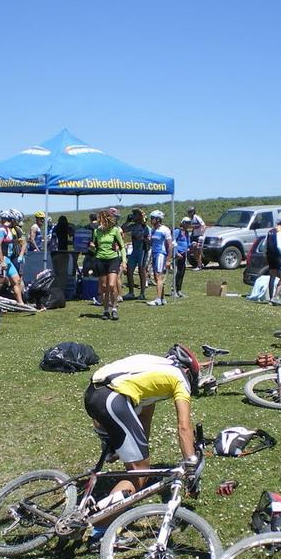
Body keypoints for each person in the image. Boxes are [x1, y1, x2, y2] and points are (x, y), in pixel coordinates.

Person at [83, 343, 202, 540]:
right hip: (113, 401)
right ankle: (101, 530)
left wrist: (139, 453)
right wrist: (191, 467)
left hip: (94, 395)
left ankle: (112, 450)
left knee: (138, 464)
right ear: (188, 371)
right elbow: (184, 427)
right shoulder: (180, 378)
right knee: (139, 475)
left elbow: (144, 419)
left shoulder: (155, 369)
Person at [89, 207, 125, 320]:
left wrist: (124, 261)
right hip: (100, 259)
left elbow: (122, 247)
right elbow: (95, 249)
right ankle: (105, 311)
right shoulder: (97, 232)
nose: (101, 223)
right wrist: (92, 248)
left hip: (113, 259)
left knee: (112, 285)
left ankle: (114, 309)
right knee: (104, 287)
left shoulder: (115, 231)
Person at [0, 210, 26, 305]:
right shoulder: (2, 230)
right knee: (1, 280)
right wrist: (2, 261)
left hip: (8, 258)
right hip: (2, 258)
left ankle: (20, 302)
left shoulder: (10, 229)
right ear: (12, 219)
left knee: (16, 280)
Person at [145, 211, 172, 307]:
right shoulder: (153, 230)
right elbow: (151, 243)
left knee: (158, 276)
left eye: (152, 218)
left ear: (158, 219)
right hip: (154, 253)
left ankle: (158, 300)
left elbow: (170, 245)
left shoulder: (165, 229)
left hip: (160, 254)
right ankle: (162, 298)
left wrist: (168, 260)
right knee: (157, 277)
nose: (151, 220)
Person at [123, 209, 151, 301]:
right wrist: (127, 221)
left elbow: (149, 240)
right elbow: (122, 229)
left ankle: (142, 293)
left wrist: (142, 238)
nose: (133, 216)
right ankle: (131, 292)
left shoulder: (145, 227)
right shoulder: (133, 226)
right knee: (129, 270)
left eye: (135, 214)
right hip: (134, 251)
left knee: (141, 271)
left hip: (142, 251)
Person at [266, 217, 281, 306]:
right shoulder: (280, 231)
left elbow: (265, 244)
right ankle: (275, 297)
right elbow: (279, 246)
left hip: (270, 256)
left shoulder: (270, 231)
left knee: (272, 277)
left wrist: (266, 255)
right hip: (278, 257)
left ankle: (271, 299)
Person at [172, 217, 191, 299]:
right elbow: (173, 242)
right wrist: (176, 252)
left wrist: (192, 246)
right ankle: (174, 290)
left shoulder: (186, 233)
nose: (188, 225)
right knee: (176, 272)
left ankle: (179, 290)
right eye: (187, 223)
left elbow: (188, 243)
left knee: (181, 272)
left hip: (183, 254)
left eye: (189, 223)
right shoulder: (177, 231)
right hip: (177, 255)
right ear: (183, 223)